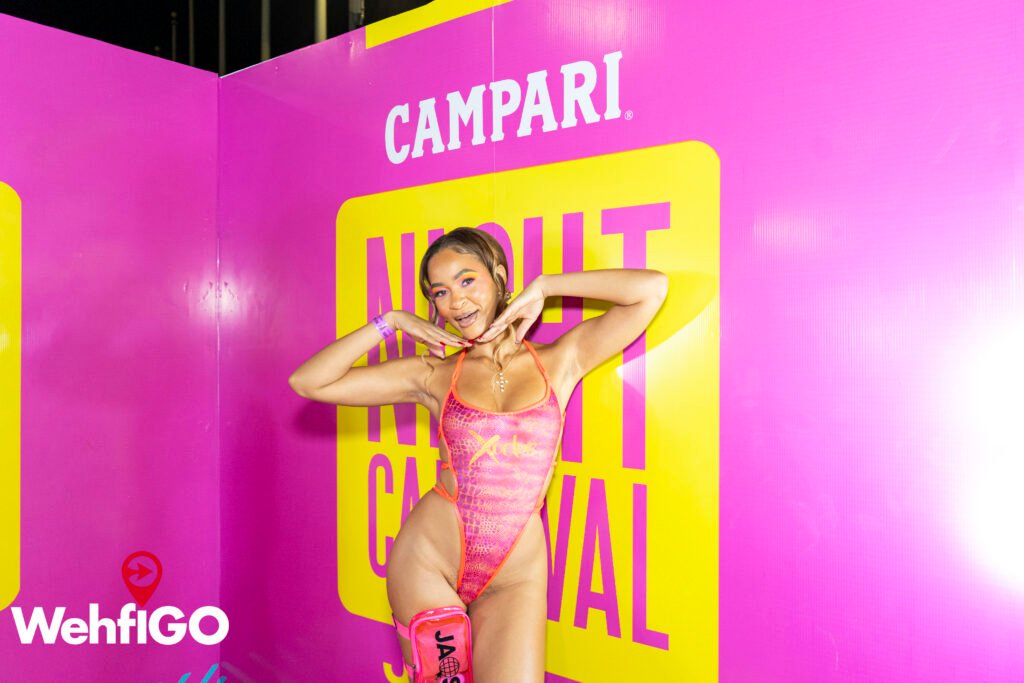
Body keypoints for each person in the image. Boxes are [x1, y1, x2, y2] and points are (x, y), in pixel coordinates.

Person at [289, 227, 668, 682]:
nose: (456, 302)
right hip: (428, 562)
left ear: (499, 277)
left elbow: (651, 289)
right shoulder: (432, 373)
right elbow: (309, 382)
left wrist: (546, 286)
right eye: (440, 292)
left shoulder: (561, 359)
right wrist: (391, 321)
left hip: (515, 577)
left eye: (467, 280)